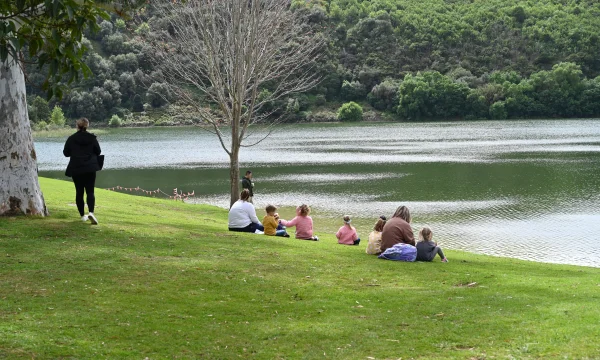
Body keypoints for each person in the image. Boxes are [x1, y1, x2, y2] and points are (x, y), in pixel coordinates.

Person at [63, 117, 102, 225]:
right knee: (90, 191)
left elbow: (66, 153)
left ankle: (82, 216)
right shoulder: (92, 138)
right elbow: (98, 151)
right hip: (90, 167)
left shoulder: (71, 138)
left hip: (76, 168)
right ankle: (91, 212)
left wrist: (75, 152)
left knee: (79, 192)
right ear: (87, 125)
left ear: (77, 126)